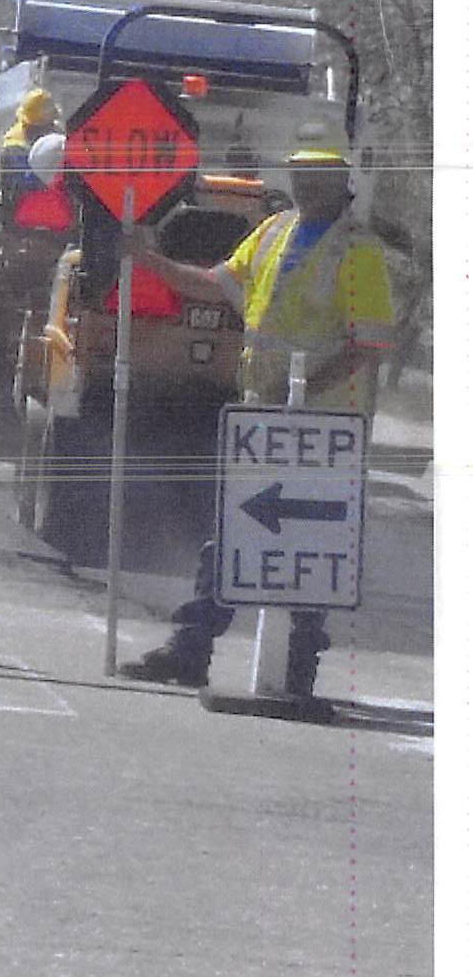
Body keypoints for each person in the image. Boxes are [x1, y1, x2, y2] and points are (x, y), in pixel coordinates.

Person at [115, 125, 394, 694]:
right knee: (230, 534)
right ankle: (190, 650)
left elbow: (368, 343)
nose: (304, 183)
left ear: (343, 183)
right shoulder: (273, 231)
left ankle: (296, 669)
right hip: (260, 418)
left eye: (317, 175)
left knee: (312, 546)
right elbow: (215, 285)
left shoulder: (358, 250)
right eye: (299, 172)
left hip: (322, 426)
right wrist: (150, 262)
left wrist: (303, 391)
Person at [0, 89, 75, 234]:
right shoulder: (15, 147)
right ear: (38, 126)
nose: (53, 125)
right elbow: (32, 183)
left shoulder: (53, 134)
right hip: (24, 214)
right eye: (49, 123)